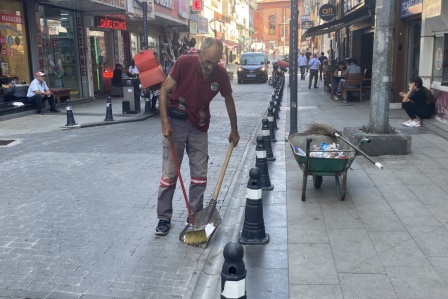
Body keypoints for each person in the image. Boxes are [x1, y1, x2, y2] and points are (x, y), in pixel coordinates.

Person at [154, 37, 240, 235]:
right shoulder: (184, 62)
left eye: (214, 62)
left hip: (199, 125)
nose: (209, 66)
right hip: (176, 122)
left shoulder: (220, 73)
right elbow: (164, 91)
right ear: (200, 54)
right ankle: (163, 219)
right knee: (169, 175)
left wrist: (234, 129)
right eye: (206, 61)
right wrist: (165, 123)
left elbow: (229, 100)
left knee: (199, 176)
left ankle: (194, 216)